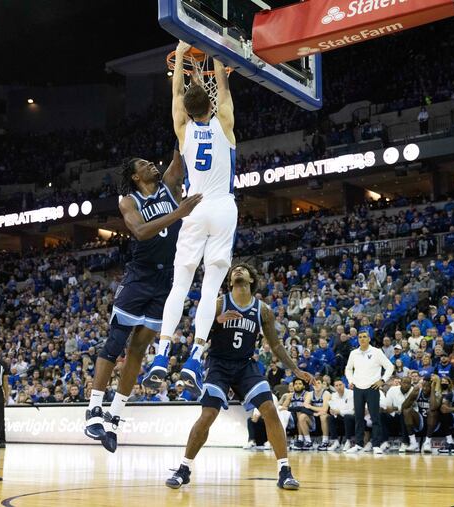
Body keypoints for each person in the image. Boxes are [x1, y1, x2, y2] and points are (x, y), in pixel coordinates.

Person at [84, 148, 201, 452]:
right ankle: (94, 409)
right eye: (145, 164)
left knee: (138, 350)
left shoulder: (170, 185)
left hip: (165, 280)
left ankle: (115, 418)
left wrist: (187, 113)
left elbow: (181, 152)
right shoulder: (129, 200)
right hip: (139, 277)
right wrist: (178, 213)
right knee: (115, 344)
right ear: (136, 176)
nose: (152, 164)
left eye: (151, 162)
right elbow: (139, 231)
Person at [166, 263, 313, 491]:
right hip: (218, 365)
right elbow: (199, 335)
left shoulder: (262, 310)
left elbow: (274, 344)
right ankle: (184, 468)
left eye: (243, 269)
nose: (237, 270)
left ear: (252, 279)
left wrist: (295, 370)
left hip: (246, 366)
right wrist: (217, 322)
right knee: (207, 415)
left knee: (270, 409)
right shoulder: (218, 304)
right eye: (234, 269)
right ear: (230, 280)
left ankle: (284, 470)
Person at [150, 40, 239, 396]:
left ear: (187, 109)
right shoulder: (226, 124)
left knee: (179, 286)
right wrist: (216, 50)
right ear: (213, 104)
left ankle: (162, 354)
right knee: (210, 289)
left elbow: (176, 95)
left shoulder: (182, 130)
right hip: (222, 207)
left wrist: (183, 55)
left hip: (194, 207)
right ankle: (196, 355)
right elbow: (223, 82)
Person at [345, 331, 394, 454]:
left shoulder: (376, 352)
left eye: (364, 337)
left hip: (372, 388)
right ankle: (359, 444)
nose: (362, 339)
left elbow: (390, 367)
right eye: (360, 337)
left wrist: (382, 381)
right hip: (357, 388)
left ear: (369, 339)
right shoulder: (353, 353)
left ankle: (376, 444)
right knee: (358, 417)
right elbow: (348, 369)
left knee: (375, 417)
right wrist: (351, 380)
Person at [304, 377, 332, 450]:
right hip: (314, 416)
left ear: (323, 384)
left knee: (323, 415)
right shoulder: (310, 394)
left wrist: (310, 407)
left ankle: (325, 441)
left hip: (326, 417)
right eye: (314, 383)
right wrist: (313, 412)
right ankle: (308, 441)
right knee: (302, 416)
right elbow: (304, 407)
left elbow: (324, 409)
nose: (316, 385)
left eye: (318, 383)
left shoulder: (326, 393)